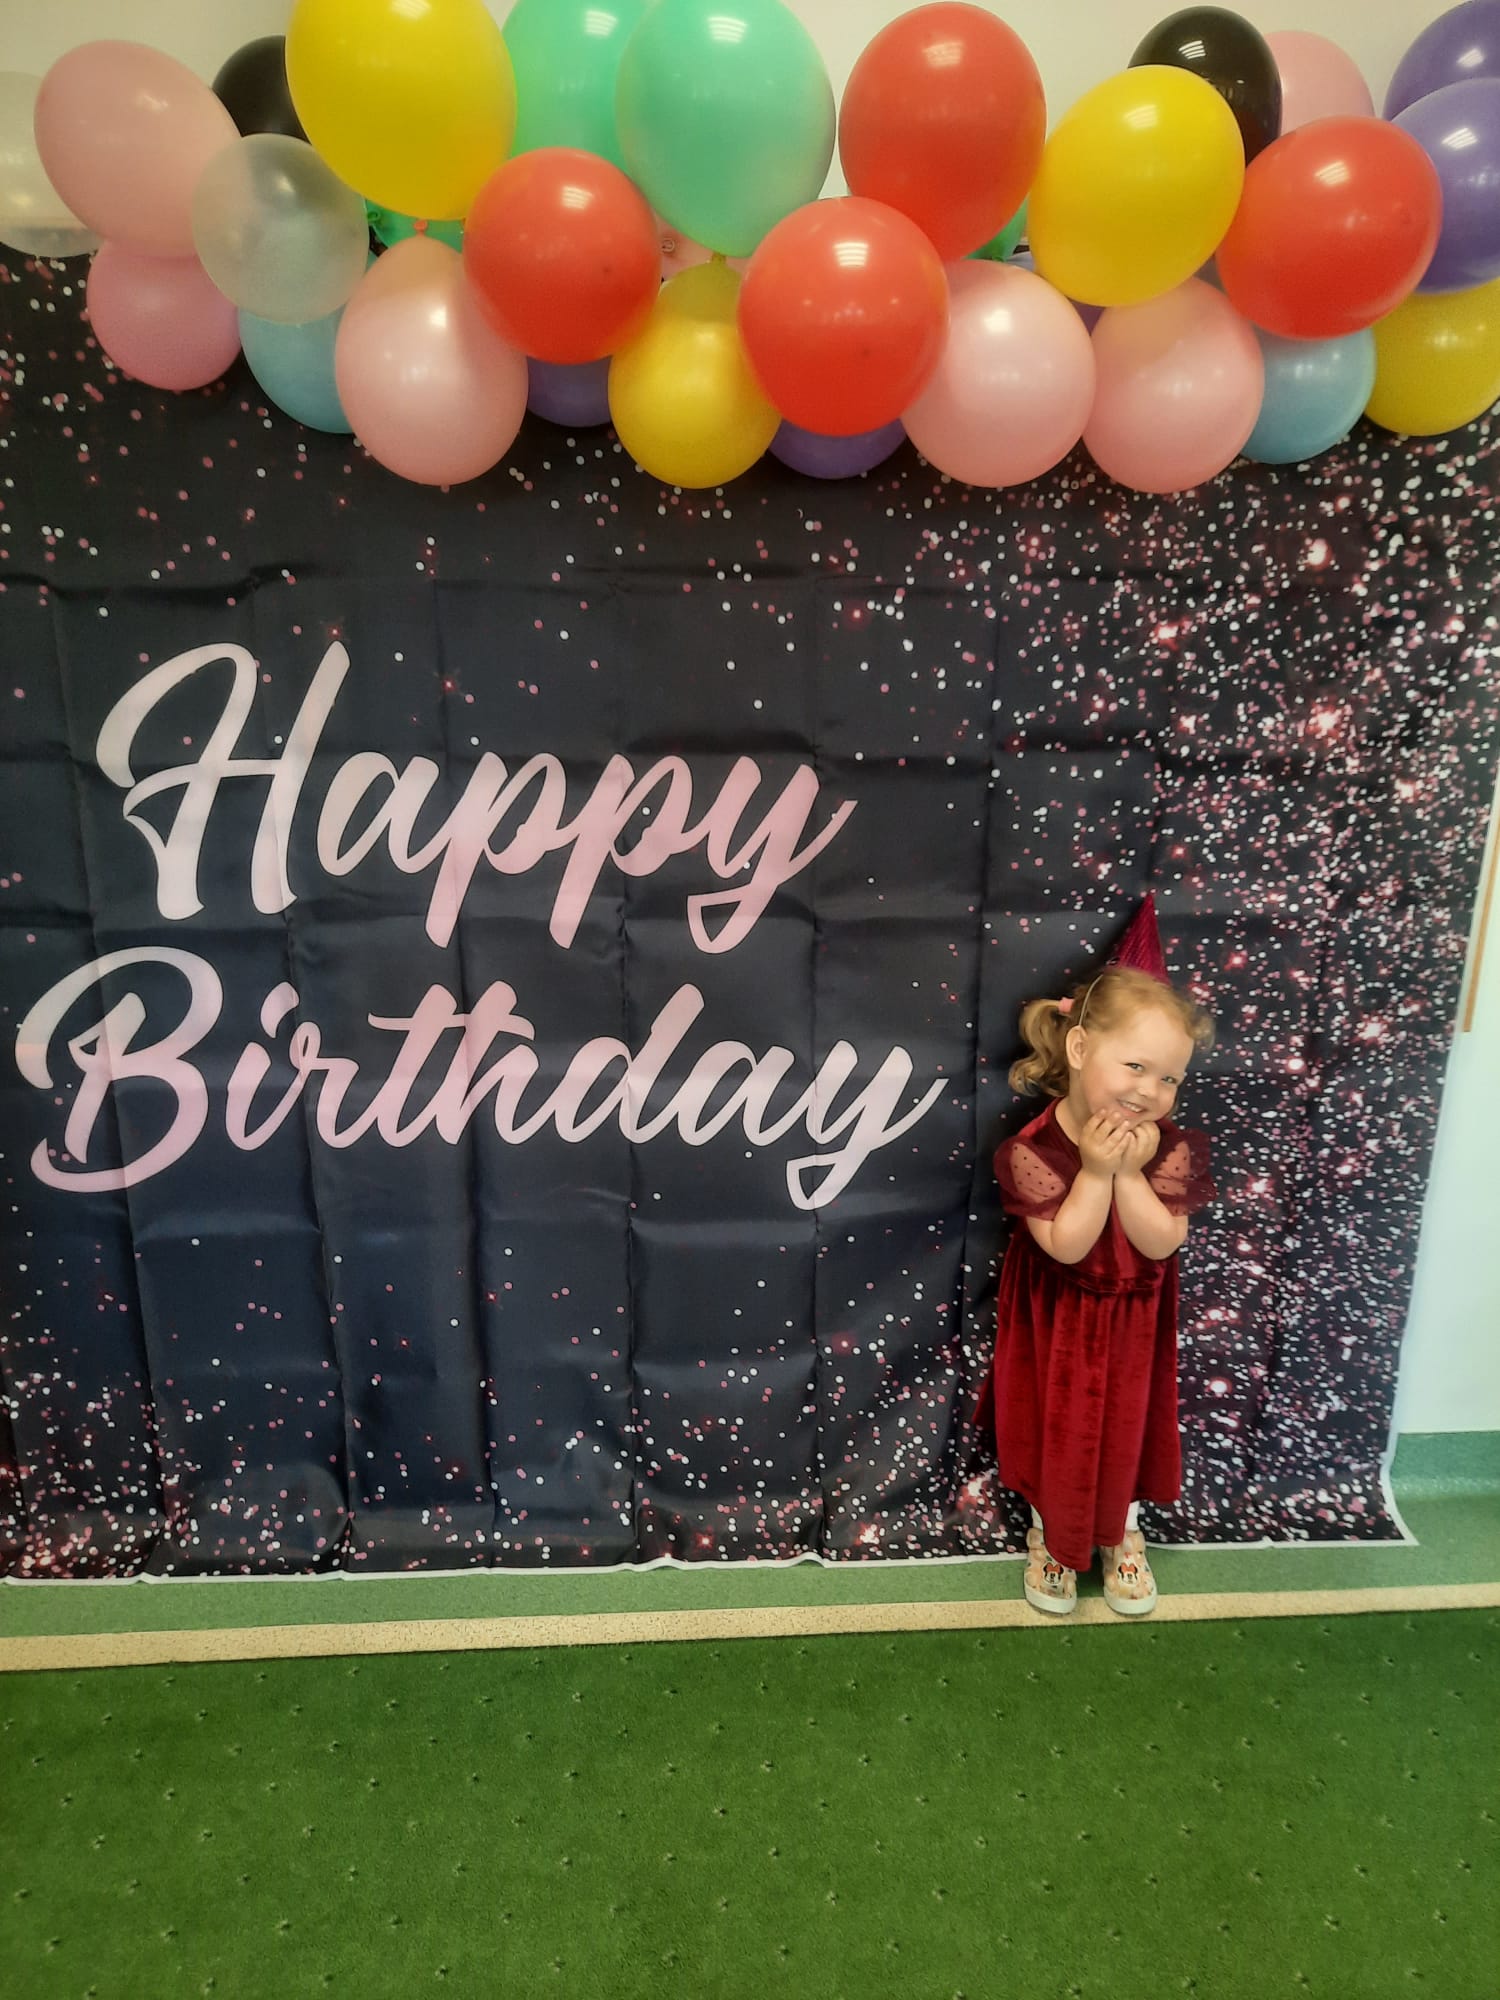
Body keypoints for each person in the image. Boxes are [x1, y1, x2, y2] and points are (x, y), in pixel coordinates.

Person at [985, 960, 1215, 1616]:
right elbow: (1067, 1244)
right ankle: (1053, 1535)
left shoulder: (1170, 1147)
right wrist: (1094, 1170)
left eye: (1169, 1078)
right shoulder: (1030, 1148)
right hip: (1056, 1324)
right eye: (1135, 1066)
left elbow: (1161, 1242)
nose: (1149, 1091)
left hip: (1132, 1326)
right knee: (1054, 1425)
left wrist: (1130, 1174)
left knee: (1126, 1422)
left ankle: (1123, 1530)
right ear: (1081, 1048)